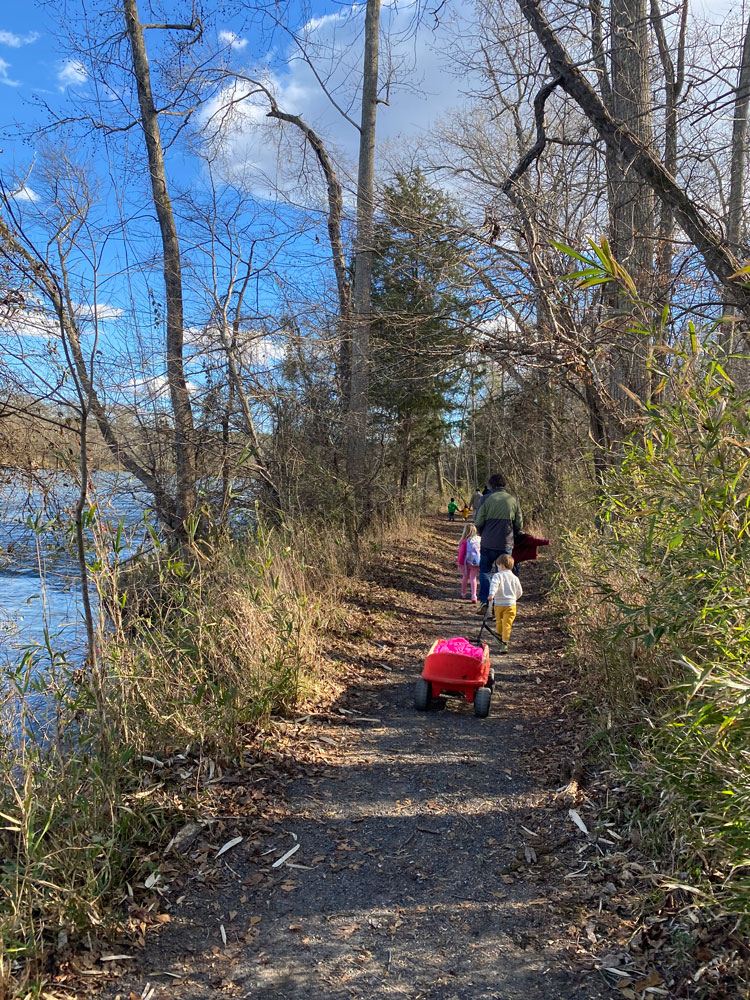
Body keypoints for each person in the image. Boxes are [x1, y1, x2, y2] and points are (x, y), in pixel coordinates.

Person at [474, 472, 523, 613]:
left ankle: (485, 602)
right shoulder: (513, 500)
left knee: (484, 571)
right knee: (505, 573)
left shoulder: (485, 499)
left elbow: (478, 521)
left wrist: (483, 533)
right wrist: (513, 534)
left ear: (491, 485)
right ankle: (502, 606)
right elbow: (519, 522)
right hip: (506, 543)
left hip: (488, 543)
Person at [489, 554, 522, 654]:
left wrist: (491, 594)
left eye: (498, 566)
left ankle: (499, 637)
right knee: (507, 624)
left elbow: (494, 585)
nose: (498, 568)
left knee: (499, 621)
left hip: (499, 604)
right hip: (511, 605)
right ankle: (504, 642)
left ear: (502, 565)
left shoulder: (497, 576)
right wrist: (514, 598)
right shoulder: (515, 578)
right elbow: (520, 591)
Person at [457, 524, 481, 603]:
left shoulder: (464, 541)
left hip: (465, 562)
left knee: (465, 577)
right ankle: (474, 595)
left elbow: (462, 553)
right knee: (473, 578)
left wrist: (460, 563)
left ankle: (463, 593)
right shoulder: (478, 540)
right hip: (475, 562)